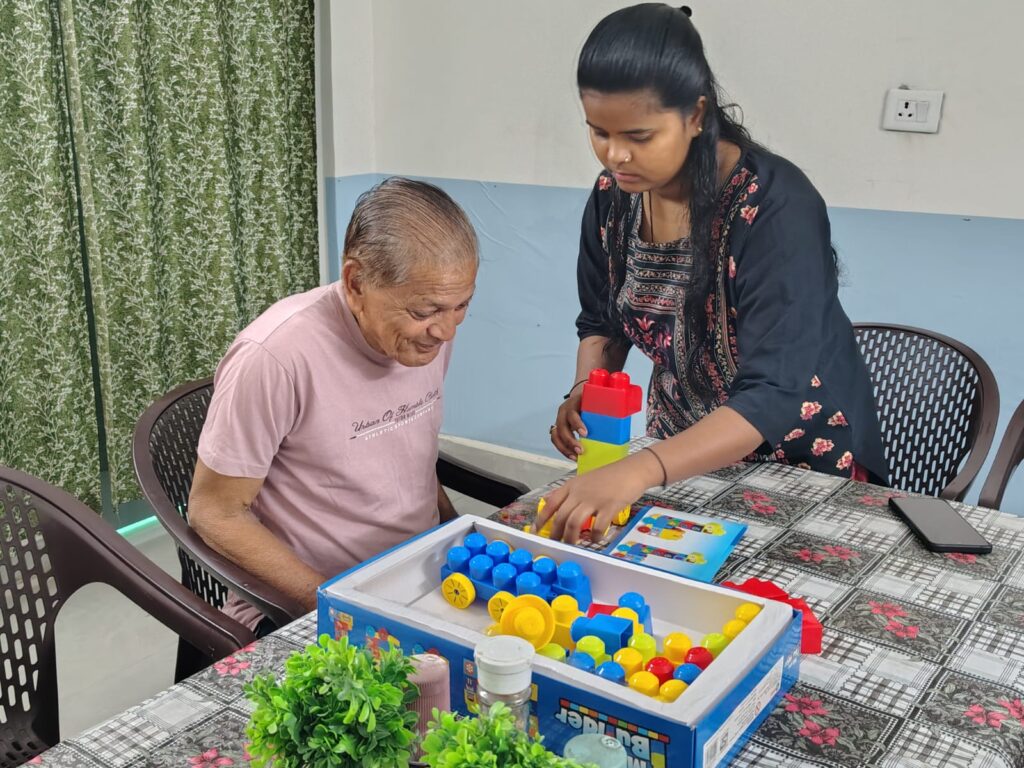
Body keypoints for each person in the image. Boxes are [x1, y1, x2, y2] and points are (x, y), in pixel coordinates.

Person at [540, 3, 885, 543]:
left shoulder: (774, 206)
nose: (616, 156)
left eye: (640, 136)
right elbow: (602, 319)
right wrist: (588, 387)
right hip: (680, 451)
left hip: (800, 458)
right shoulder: (614, 198)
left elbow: (773, 391)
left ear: (696, 115)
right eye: (599, 132)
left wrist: (638, 470)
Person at [189, 177, 478, 633]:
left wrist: (460, 539)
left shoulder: (427, 337)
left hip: (418, 578)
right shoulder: (276, 356)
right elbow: (213, 512)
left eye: (461, 306)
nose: (446, 332)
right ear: (356, 282)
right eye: (424, 312)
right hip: (306, 602)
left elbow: (406, 458)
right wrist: (332, 606)